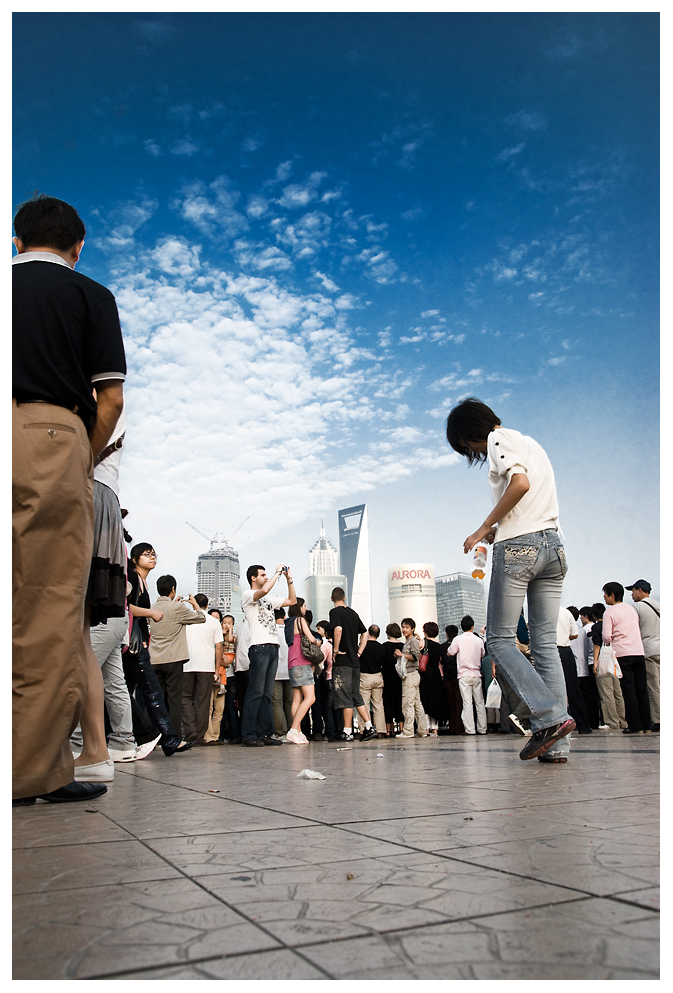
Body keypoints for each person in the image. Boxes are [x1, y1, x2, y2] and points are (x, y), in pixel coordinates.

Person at [13, 195, 127, 806]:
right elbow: (109, 399)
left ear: (16, 239)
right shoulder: (91, 296)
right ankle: (32, 771)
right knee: (51, 608)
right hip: (51, 438)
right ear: (77, 246)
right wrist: (79, 458)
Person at [446, 397, 575, 763]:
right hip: (554, 546)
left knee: (500, 640)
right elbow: (530, 496)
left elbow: (519, 483)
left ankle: (550, 719)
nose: (471, 451)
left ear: (470, 434)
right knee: (545, 646)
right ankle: (557, 743)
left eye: (465, 446)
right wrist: (501, 524)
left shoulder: (497, 440)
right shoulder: (531, 443)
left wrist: (485, 526)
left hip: (521, 549)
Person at [124, 544, 194, 758]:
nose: (152, 557)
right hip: (133, 643)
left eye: (154, 554)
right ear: (135, 559)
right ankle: (153, 736)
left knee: (143, 692)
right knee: (142, 692)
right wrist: (151, 613)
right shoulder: (134, 579)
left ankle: (161, 738)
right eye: (146, 554)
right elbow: (125, 606)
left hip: (138, 642)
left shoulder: (142, 582)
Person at [241, 564, 296, 746]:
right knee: (255, 692)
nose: (265, 577)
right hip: (259, 647)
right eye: (262, 575)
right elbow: (264, 590)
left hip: (273, 647)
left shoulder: (269, 600)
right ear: (253, 578)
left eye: (266, 574)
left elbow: (292, 601)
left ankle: (265, 733)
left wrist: (289, 579)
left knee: (266, 694)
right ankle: (248, 734)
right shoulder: (247, 595)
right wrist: (276, 573)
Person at [149, 576, 206, 736]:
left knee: (155, 699)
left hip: (154, 658)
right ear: (173, 589)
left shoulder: (152, 607)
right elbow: (201, 618)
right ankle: (173, 736)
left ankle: (153, 735)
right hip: (173, 658)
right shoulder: (177, 609)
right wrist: (196, 606)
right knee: (174, 699)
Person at [329, 587, 377, 742]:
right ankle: (369, 726)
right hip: (355, 661)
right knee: (355, 695)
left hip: (342, 661)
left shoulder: (335, 612)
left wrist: (336, 650)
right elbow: (365, 633)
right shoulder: (353, 613)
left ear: (332, 598)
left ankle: (347, 732)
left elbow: (338, 629)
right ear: (344, 597)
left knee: (344, 696)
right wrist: (359, 652)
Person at [602, 582, 651, 734]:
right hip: (638, 652)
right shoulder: (631, 609)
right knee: (641, 689)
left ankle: (635, 726)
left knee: (628, 690)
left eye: (605, 594)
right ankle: (646, 725)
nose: (604, 597)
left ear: (612, 595)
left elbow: (606, 636)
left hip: (623, 654)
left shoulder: (609, 612)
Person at [182, 594, 223, 745]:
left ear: (192, 603)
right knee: (203, 702)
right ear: (208, 605)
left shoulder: (186, 619)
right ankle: (199, 737)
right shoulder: (213, 622)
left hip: (186, 664)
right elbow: (219, 647)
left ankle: (189, 730)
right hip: (206, 666)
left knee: (185, 697)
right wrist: (217, 670)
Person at [285, 599, 321, 744]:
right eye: (304, 606)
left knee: (296, 699)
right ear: (299, 607)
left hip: (292, 663)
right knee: (311, 697)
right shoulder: (300, 620)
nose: (305, 608)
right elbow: (312, 639)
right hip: (302, 663)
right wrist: (318, 641)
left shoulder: (288, 622)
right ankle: (293, 730)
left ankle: (298, 732)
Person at [626, 580, 660, 732]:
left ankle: (658, 720)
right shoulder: (659, 605)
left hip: (649, 650)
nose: (632, 595)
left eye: (633, 591)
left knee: (653, 687)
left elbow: (633, 630)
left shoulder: (637, 607)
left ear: (640, 590)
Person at [590, 602, 627, 730]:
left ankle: (612, 722)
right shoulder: (612, 623)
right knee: (618, 692)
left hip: (604, 661)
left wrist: (595, 662)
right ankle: (622, 720)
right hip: (615, 660)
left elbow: (597, 645)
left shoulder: (596, 627)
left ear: (593, 615)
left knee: (606, 693)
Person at [448, 615, 487, 735]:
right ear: (472, 626)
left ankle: (470, 729)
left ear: (461, 627)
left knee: (467, 703)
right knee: (479, 703)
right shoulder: (479, 640)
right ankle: (482, 728)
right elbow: (482, 654)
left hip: (464, 675)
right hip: (476, 674)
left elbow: (450, 652)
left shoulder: (458, 639)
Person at [556, 606, 592, 734]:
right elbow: (574, 634)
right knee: (573, 689)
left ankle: (555, 724)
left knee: (552, 689)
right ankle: (584, 725)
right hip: (566, 650)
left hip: (550, 650)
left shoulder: (542, 610)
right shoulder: (566, 612)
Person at [394, 618, 428, 739]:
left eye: (407, 627)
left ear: (413, 629)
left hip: (411, 674)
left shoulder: (412, 641)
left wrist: (401, 655)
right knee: (417, 704)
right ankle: (423, 730)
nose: (404, 630)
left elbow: (416, 656)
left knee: (407, 703)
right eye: (403, 627)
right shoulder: (409, 642)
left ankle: (408, 731)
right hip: (412, 674)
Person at [419, 622, 449, 736]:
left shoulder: (423, 642)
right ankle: (434, 728)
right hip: (436, 674)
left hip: (425, 673)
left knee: (425, 700)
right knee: (435, 700)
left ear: (426, 631)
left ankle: (426, 727)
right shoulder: (438, 645)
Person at [204, 609, 228, 744]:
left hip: (222, 678)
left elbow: (228, 659)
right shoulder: (206, 637)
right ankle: (208, 736)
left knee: (219, 709)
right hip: (209, 674)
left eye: (217, 617)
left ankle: (215, 736)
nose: (215, 619)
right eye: (212, 616)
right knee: (208, 707)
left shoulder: (224, 638)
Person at [358, 625, 387, 737]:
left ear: (368, 633)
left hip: (365, 676)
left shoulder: (363, 646)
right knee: (378, 705)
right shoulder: (381, 647)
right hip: (378, 676)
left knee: (363, 704)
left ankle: (364, 730)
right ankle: (381, 730)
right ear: (378, 634)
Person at [272, 608, 294, 736]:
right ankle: (293, 730)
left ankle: (281, 732)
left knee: (277, 704)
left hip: (276, 672)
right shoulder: (290, 628)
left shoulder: (271, 630)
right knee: (290, 703)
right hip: (290, 670)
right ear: (284, 616)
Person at [439, 625, 464, 735]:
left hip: (447, 678)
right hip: (458, 676)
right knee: (460, 703)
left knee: (451, 703)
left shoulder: (442, 647)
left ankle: (452, 727)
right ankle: (459, 727)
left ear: (447, 634)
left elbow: (440, 662)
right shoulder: (460, 644)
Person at [382, 622, 405, 736]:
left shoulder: (384, 646)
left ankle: (388, 729)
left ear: (387, 633)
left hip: (387, 678)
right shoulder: (403, 646)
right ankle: (401, 727)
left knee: (387, 703)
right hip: (400, 678)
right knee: (400, 703)